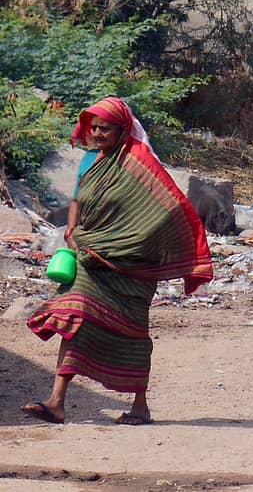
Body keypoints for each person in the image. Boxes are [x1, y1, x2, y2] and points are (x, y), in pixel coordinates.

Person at [21, 97, 213, 425]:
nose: (96, 133)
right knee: (72, 317)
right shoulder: (88, 161)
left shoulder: (139, 164)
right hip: (89, 257)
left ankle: (140, 406)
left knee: (132, 334)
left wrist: (131, 243)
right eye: (93, 127)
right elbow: (78, 198)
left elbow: (168, 210)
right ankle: (56, 401)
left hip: (130, 268)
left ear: (121, 131)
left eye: (104, 129)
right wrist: (71, 227)